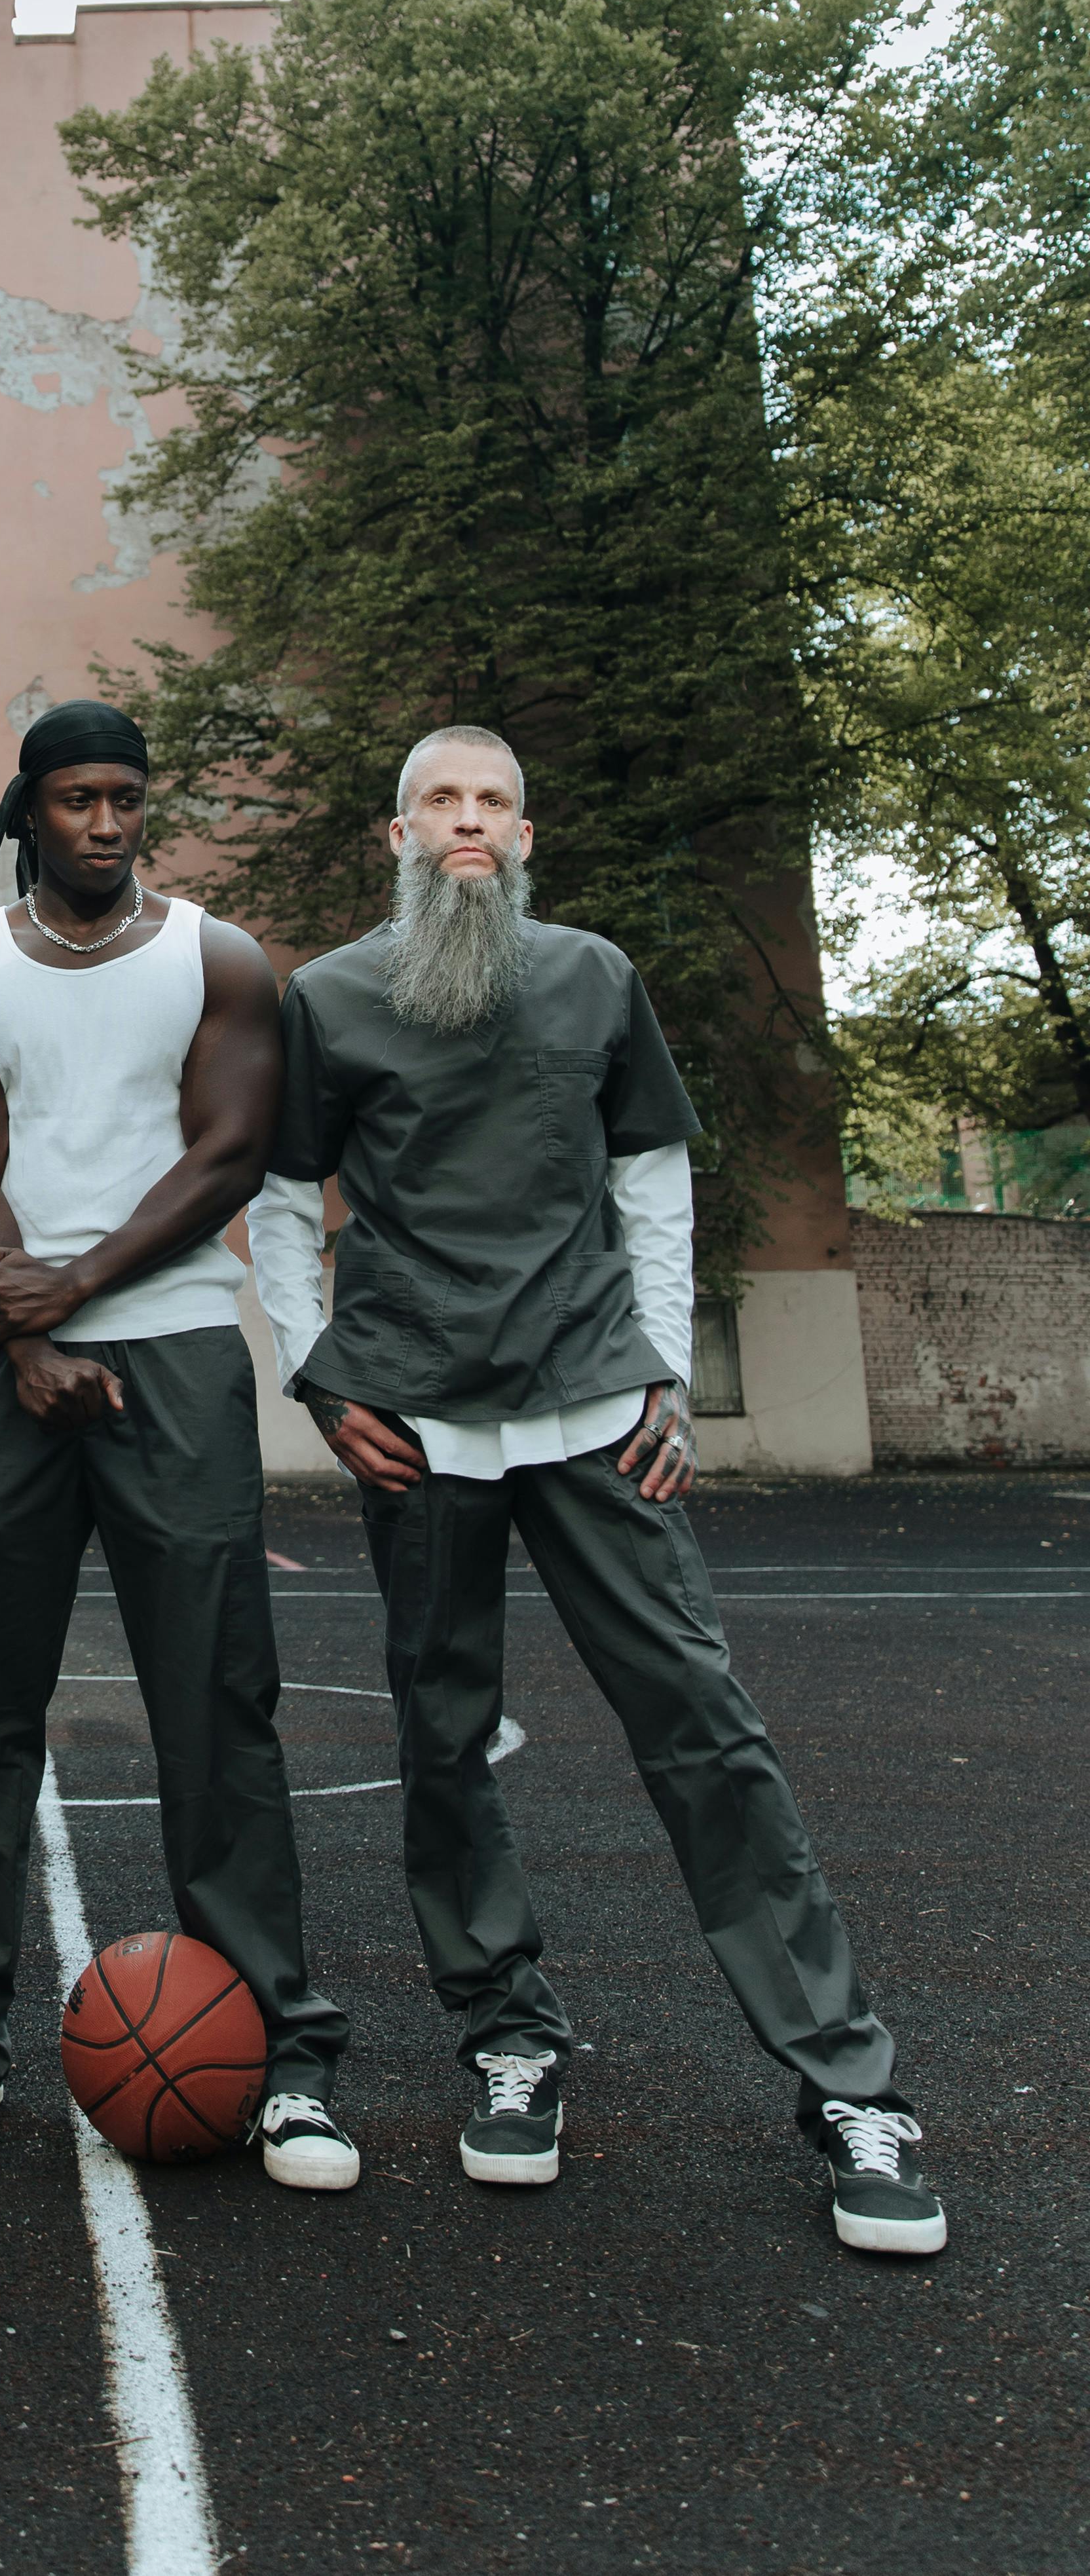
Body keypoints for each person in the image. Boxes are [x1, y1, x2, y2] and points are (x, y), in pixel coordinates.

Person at [248, 723, 945, 2258]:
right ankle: (509, 2039)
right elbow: (285, 1202)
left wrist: (666, 1371)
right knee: (443, 1740)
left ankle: (849, 2084)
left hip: (591, 1411)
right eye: (445, 800)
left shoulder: (592, 977)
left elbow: (648, 1177)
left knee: (703, 1724)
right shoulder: (331, 996)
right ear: (399, 835)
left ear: (528, 830)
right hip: (417, 1421)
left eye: (496, 800)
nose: (471, 822)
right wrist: (322, 1372)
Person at [0, 701, 356, 2190]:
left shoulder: (220, 958)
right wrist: (22, 1339)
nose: (108, 822)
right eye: (78, 797)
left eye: (129, 797)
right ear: (28, 806)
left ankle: (281, 2056)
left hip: (175, 1351)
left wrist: (70, 1294)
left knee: (218, 1700)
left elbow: (227, 1154)